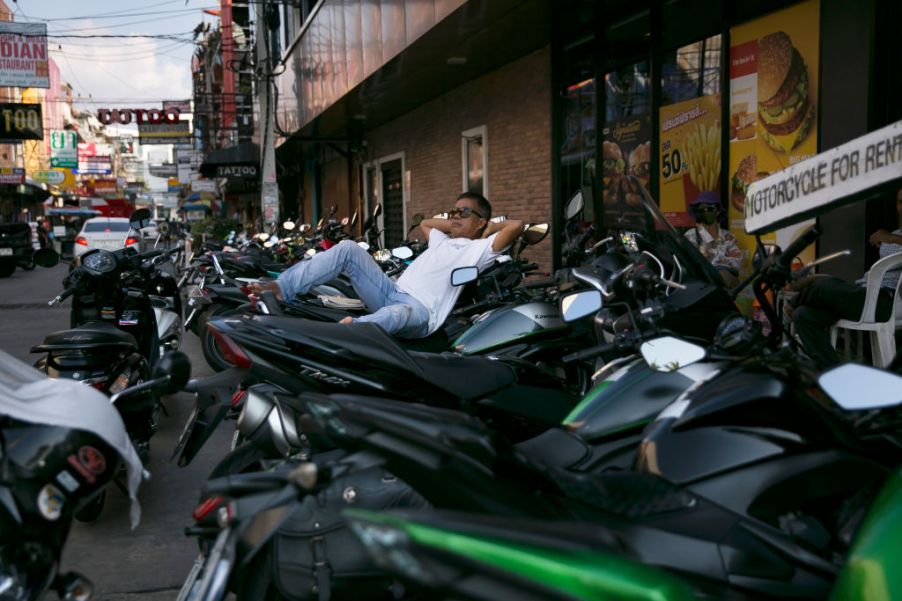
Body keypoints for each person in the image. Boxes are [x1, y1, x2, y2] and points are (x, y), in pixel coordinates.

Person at [251, 192, 524, 338]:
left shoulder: (480, 249)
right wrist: (459, 220)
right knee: (347, 248)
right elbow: (428, 223)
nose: (454, 217)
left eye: (463, 213)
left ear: (480, 221)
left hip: (420, 313)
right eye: (453, 211)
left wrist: (488, 227)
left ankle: (349, 332)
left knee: (398, 313)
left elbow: (517, 226)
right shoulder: (441, 240)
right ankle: (280, 288)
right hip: (390, 292)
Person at [789, 188, 902, 369]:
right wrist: (889, 239)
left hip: (886, 301)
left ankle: (795, 298)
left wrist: (890, 238)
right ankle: (833, 372)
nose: (901, 208)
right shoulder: (898, 232)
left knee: (822, 286)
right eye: (899, 202)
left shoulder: (894, 235)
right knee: (804, 315)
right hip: (864, 295)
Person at [683, 191, 742, 287]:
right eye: (701, 210)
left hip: (725, 288)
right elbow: (691, 265)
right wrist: (719, 266)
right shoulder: (691, 236)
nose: (705, 212)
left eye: (709, 209)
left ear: (718, 211)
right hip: (702, 288)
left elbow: (735, 263)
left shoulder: (729, 237)